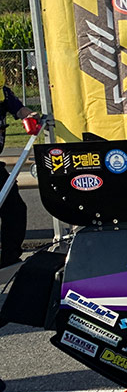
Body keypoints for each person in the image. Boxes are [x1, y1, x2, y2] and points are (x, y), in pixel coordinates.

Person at [0, 82, 38, 269]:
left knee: (14, 208)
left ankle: (9, 259)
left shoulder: (3, 92)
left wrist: (31, 116)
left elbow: (20, 109)